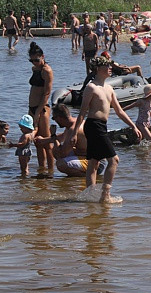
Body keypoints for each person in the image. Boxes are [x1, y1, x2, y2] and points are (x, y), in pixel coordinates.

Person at [66, 56, 141, 203]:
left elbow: (119, 111)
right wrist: (74, 132)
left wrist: (133, 126)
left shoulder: (109, 88)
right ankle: (105, 196)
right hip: (93, 125)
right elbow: (82, 112)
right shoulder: (91, 88)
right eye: (107, 66)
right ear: (98, 69)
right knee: (114, 160)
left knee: (94, 162)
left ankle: (90, 196)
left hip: (102, 126)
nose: (110, 68)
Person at [28, 42, 54, 169]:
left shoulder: (46, 71)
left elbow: (47, 93)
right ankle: (41, 170)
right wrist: (31, 111)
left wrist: (38, 112)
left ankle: (50, 171)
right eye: (31, 60)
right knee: (37, 142)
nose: (34, 62)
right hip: (32, 108)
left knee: (46, 142)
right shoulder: (35, 69)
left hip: (42, 109)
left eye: (36, 60)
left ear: (42, 56)